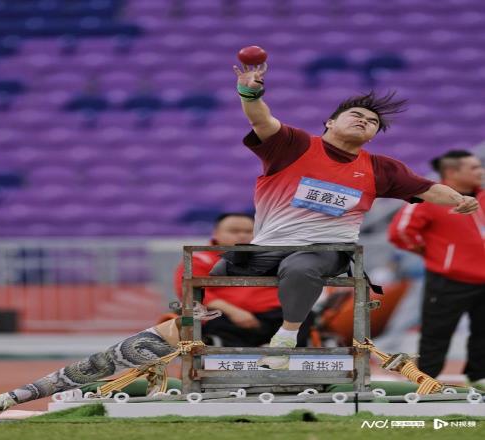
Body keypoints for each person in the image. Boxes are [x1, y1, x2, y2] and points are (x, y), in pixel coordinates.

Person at [210, 60, 479, 370]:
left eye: (372, 122)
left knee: (299, 268)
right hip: (272, 244)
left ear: (373, 135)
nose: (365, 121)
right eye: (357, 115)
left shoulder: (380, 168)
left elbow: (429, 189)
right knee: (214, 272)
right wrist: (249, 93)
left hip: (327, 248)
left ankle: (285, 340)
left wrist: (460, 198)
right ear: (329, 122)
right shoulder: (293, 145)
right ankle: (183, 339)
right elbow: (261, 119)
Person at [0, 309, 214, 417]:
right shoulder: (207, 278)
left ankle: (85, 394)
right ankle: (7, 399)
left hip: (214, 382)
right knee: (96, 368)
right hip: (197, 369)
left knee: (174, 387)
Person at [388, 150, 485, 390]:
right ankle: (426, 380)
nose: (481, 171)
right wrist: (434, 254)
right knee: (436, 333)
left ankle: (479, 376)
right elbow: (400, 232)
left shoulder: (483, 197)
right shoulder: (430, 198)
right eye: (474, 167)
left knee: (483, 332)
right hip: (448, 279)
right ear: (451, 172)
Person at [175, 213, 312, 347]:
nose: (242, 235)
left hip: (275, 316)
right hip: (225, 317)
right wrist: (234, 312)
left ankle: (277, 350)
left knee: (302, 315)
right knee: (209, 320)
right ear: (216, 233)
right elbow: (188, 292)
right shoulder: (199, 260)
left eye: (248, 231)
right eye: (234, 231)